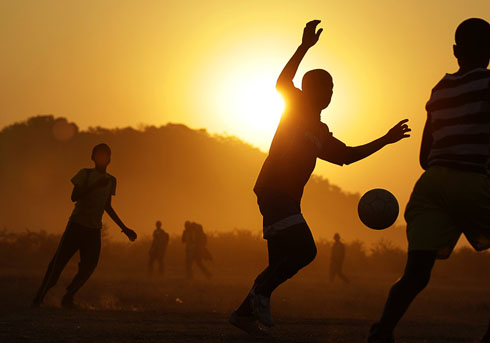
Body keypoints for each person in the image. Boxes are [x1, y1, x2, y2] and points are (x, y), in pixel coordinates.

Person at [229, 20, 411, 334]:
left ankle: (243, 315)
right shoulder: (296, 106)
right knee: (305, 251)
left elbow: (347, 156)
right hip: (275, 191)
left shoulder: (320, 133)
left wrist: (386, 139)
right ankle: (258, 292)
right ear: (309, 90)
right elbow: (283, 82)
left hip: (283, 196)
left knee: (279, 263)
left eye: (331, 89)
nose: (328, 93)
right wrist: (304, 47)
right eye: (323, 88)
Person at [368, 18, 490, 343]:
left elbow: (424, 157)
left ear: (455, 51)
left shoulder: (439, 90)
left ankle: (383, 331)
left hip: (430, 186)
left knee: (416, 274)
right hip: (474, 180)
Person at [32, 143, 137, 308]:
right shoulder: (85, 174)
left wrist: (124, 228)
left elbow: (107, 205)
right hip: (76, 226)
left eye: (105, 155)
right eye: (98, 154)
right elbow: (74, 197)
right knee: (57, 264)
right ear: (92, 157)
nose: (102, 158)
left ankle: (69, 296)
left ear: (109, 160)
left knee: (90, 266)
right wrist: (94, 186)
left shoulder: (111, 181)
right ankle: (39, 298)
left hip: (94, 230)